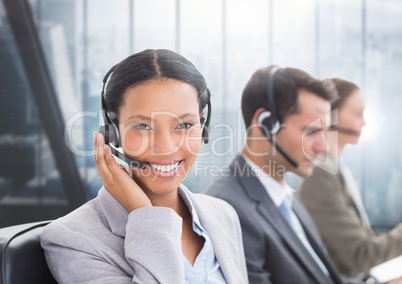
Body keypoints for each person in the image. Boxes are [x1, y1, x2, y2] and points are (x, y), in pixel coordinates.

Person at [40, 49, 248, 284]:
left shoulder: (222, 215)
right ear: (113, 132)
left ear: (203, 125)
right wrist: (145, 215)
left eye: (185, 124)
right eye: (143, 127)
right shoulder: (73, 240)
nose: (166, 147)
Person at [205, 65, 348, 283]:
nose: (324, 147)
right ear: (264, 125)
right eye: (311, 131)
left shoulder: (286, 197)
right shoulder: (228, 209)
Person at [297, 78, 402, 279]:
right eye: (357, 114)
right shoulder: (320, 174)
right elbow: (358, 256)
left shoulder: (337, 170)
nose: (364, 122)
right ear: (329, 116)